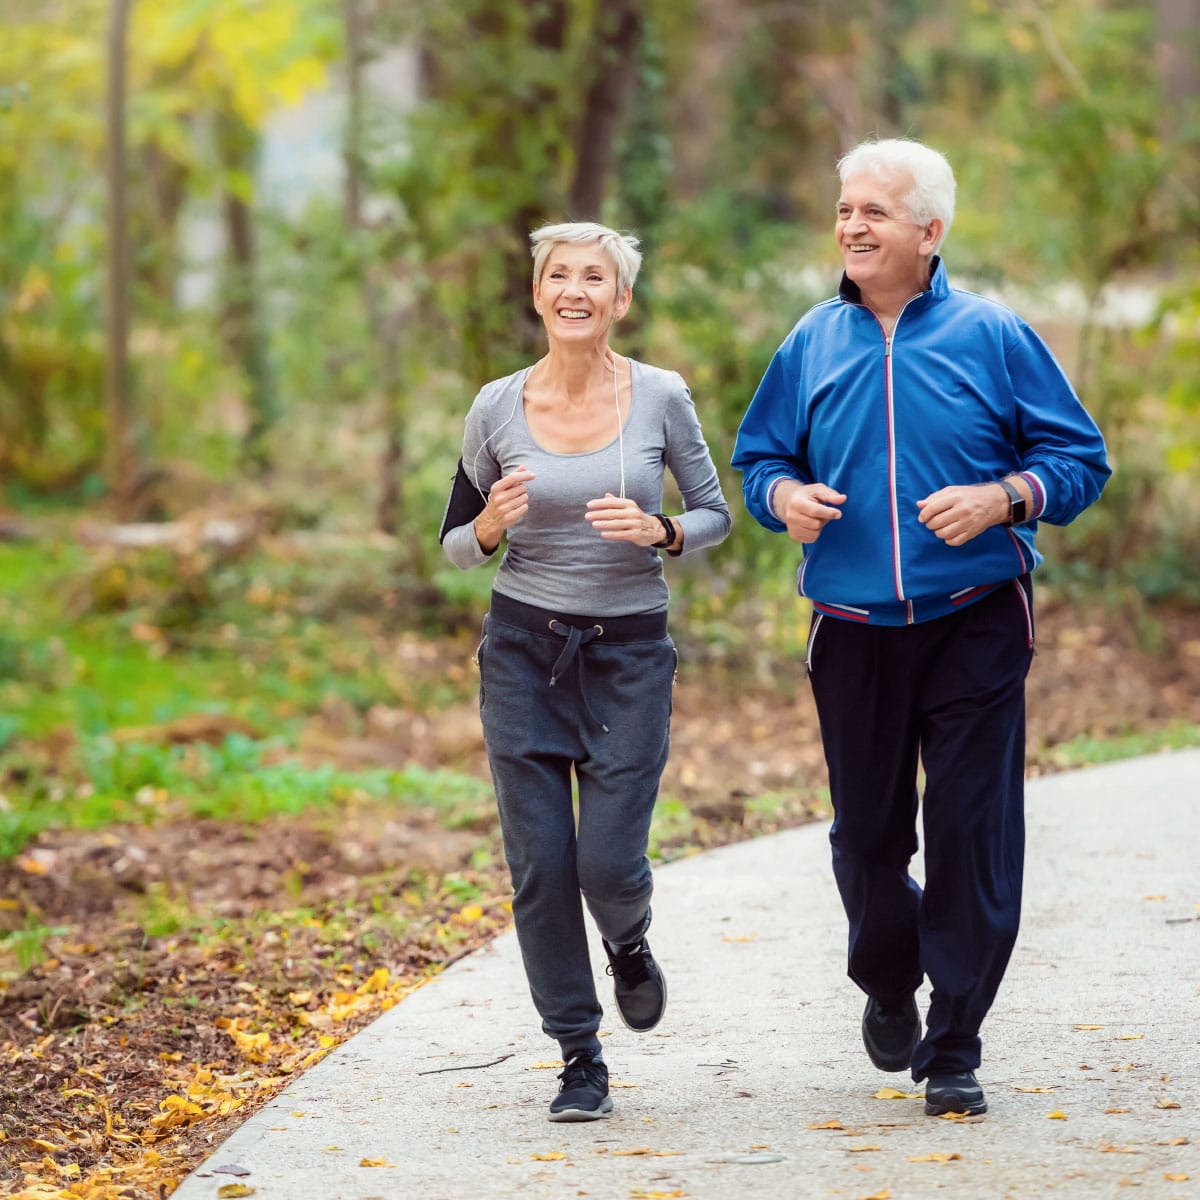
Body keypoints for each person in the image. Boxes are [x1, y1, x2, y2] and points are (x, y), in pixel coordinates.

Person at [731, 138, 1110, 1117]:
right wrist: (783, 498)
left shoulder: (993, 335)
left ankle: (955, 1043)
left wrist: (1006, 497)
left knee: (969, 831)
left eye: (875, 212)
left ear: (928, 232)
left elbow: (1079, 461)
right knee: (866, 840)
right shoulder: (811, 340)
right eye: (846, 208)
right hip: (852, 625)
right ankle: (890, 978)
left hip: (976, 618)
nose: (852, 225)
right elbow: (759, 457)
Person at [441, 221, 731, 1122]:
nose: (575, 290)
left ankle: (630, 940)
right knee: (539, 864)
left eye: (594, 278)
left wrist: (666, 532)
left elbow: (716, 511)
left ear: (620, 299)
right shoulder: (496, 405)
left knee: (605, 862)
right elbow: (454, 546)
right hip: (525, 653)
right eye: (558, 275)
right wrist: (489, 526)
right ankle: (578, 1053)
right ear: (538, 295)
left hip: (629, 656)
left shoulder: (661, 396)